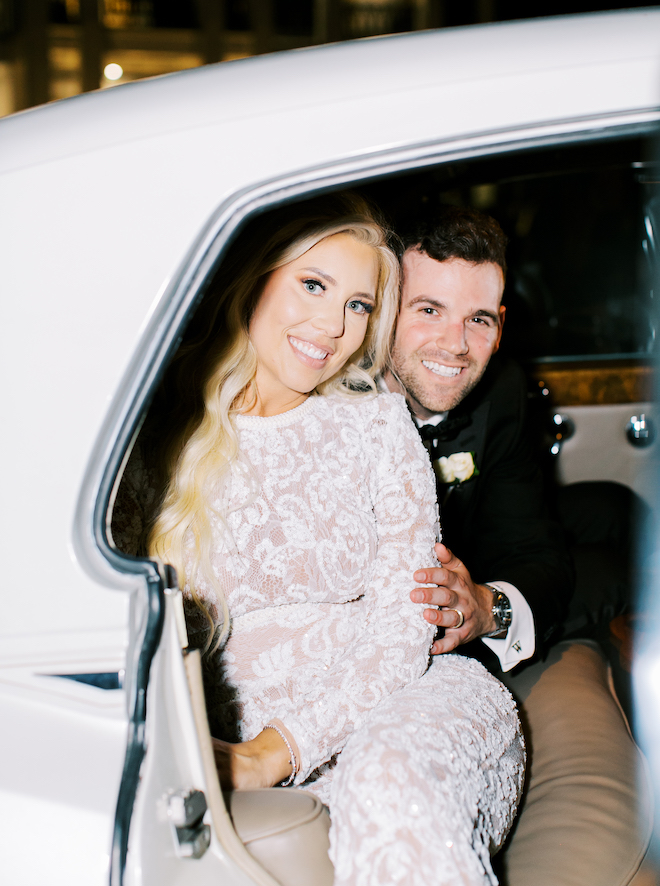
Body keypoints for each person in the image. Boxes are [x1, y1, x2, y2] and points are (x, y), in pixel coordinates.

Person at [113, 194, 525, 886]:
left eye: (360, 305)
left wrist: (276, 752)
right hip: (236, 727)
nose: (335, 326)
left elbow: (403, 626)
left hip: (410, 703)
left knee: (390, 788)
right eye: (314, 285)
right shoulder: (153, 437)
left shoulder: (377, 427)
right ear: (252, 277)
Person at [383, 206, 652, 886]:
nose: (455, 343)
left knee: (616, 509)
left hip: (485, 545)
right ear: (384, 310)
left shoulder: (499, 388)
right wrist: (484, 611)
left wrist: (490, 601)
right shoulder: (348, 411)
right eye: (428, 310)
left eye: (479, 319)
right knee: (610, 575)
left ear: (501, 328)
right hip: (438, 580)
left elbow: (528, 537)